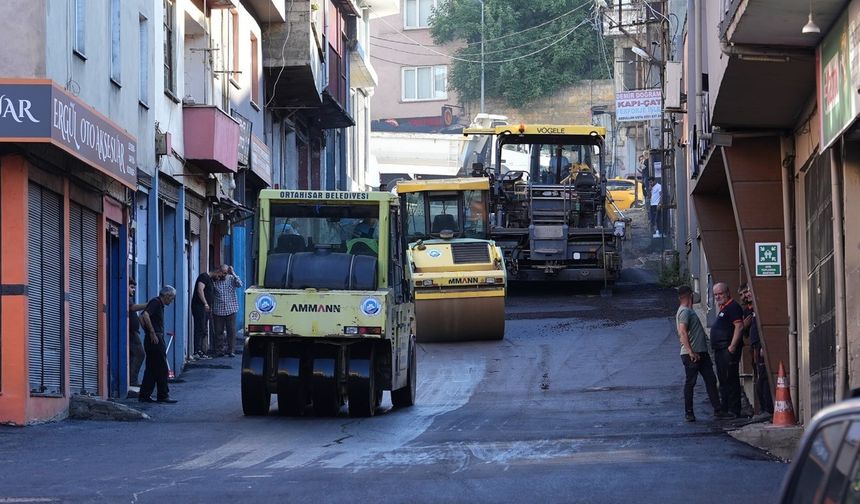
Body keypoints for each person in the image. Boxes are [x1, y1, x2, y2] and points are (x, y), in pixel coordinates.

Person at [676, 285, 724, 422]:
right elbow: (682, 332)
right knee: (690, 383)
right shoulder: (684, 312)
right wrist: (690, 351)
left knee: (711, 380)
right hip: (692, 354)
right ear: (690, 295)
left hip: (701, 353)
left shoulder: (688, 311)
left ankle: (718, 409)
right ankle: (689, 413)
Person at [711, 282, 745, 418]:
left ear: (727, 293)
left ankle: (733, 410)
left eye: (720, 294)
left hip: (727, 349)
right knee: (723, 379)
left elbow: (739, 326)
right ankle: (725, 408)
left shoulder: (733, 307)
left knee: (730, 378)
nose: (718, 297)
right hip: (720, 349)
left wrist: (732, 346)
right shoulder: (723, 308)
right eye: (715, 295)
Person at [138, 286, 178, 404]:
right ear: (167, 296)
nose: (172, 301)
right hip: (156, 339)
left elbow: (140, 317)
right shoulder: (156, 302)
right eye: (172, 298)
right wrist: (151, 332)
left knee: (151, 368)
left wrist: (147, 331)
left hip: (153, 338)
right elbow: (144, 315)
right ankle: (163, 395)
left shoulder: (156, 303)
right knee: (162, 367)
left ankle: (144, 395)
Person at [739, 284, 774, 415]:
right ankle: (764, 408)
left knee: (763, 377)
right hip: (755, 346)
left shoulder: (760, 309)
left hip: (760, 346)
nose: (747, 295)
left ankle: (767, 409)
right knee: (759, 377)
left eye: (748, 291)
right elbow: (746, 333)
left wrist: (762, 346)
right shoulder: (749, 311)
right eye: (745, 293)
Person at [212, 264, 243, 357]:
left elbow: (240, 284)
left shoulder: (231, 278)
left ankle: (231, 350)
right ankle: (219, 350)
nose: (223, 275)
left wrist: (233, 273)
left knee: (231, 331)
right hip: (218, 309)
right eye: (222, 273)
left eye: (225, 273)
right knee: (218, 331)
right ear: (219, 271)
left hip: (231, 308)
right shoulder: (215, 280)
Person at [191, 269, 215, 360]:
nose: (220, 277)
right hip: (199, 307)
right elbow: (200, 290)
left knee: (203, 328)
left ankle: (201, 350)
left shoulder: (210, 280)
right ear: (217, 271)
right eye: (221, 275)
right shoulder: (204, 277)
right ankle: (197, 351)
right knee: (199, 328)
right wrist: (205, 303)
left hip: (205, 309)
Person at [128, 278, 147, 387]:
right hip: (131, 332)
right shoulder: (126, 297)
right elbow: (132, 308)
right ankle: (132, 381)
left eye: (134, 287)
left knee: (134, 355)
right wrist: (147, 304)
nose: (133, 290)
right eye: (131, 287)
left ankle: (131, 380)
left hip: (133, 331)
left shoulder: (129, 298)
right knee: (140, 354)